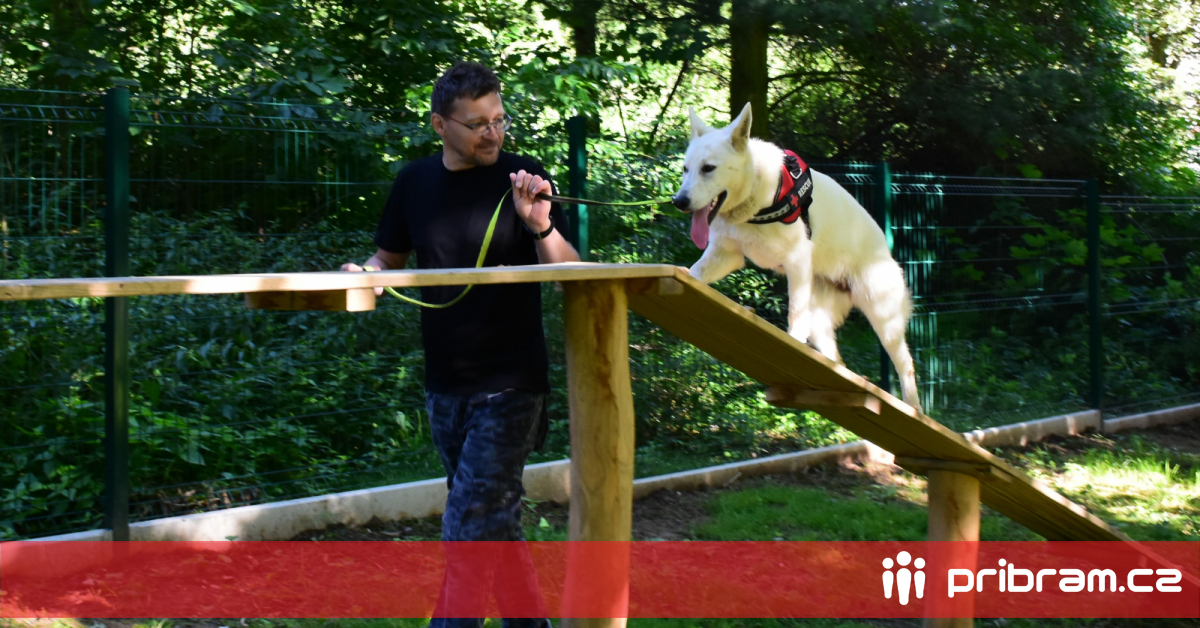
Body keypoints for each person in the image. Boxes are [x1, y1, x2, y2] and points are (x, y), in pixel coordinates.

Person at [342, 61, 578, 628]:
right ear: (439, 125)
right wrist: (366, 273)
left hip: (513, 384)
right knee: (494, 523)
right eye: (476, 124)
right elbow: (388, 258)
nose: (492, 134)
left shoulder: (525, 176)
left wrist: (540, 224)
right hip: (446, 386)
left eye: (499, 120)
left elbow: (572, 276)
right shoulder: (414, 183)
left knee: (468, 527)